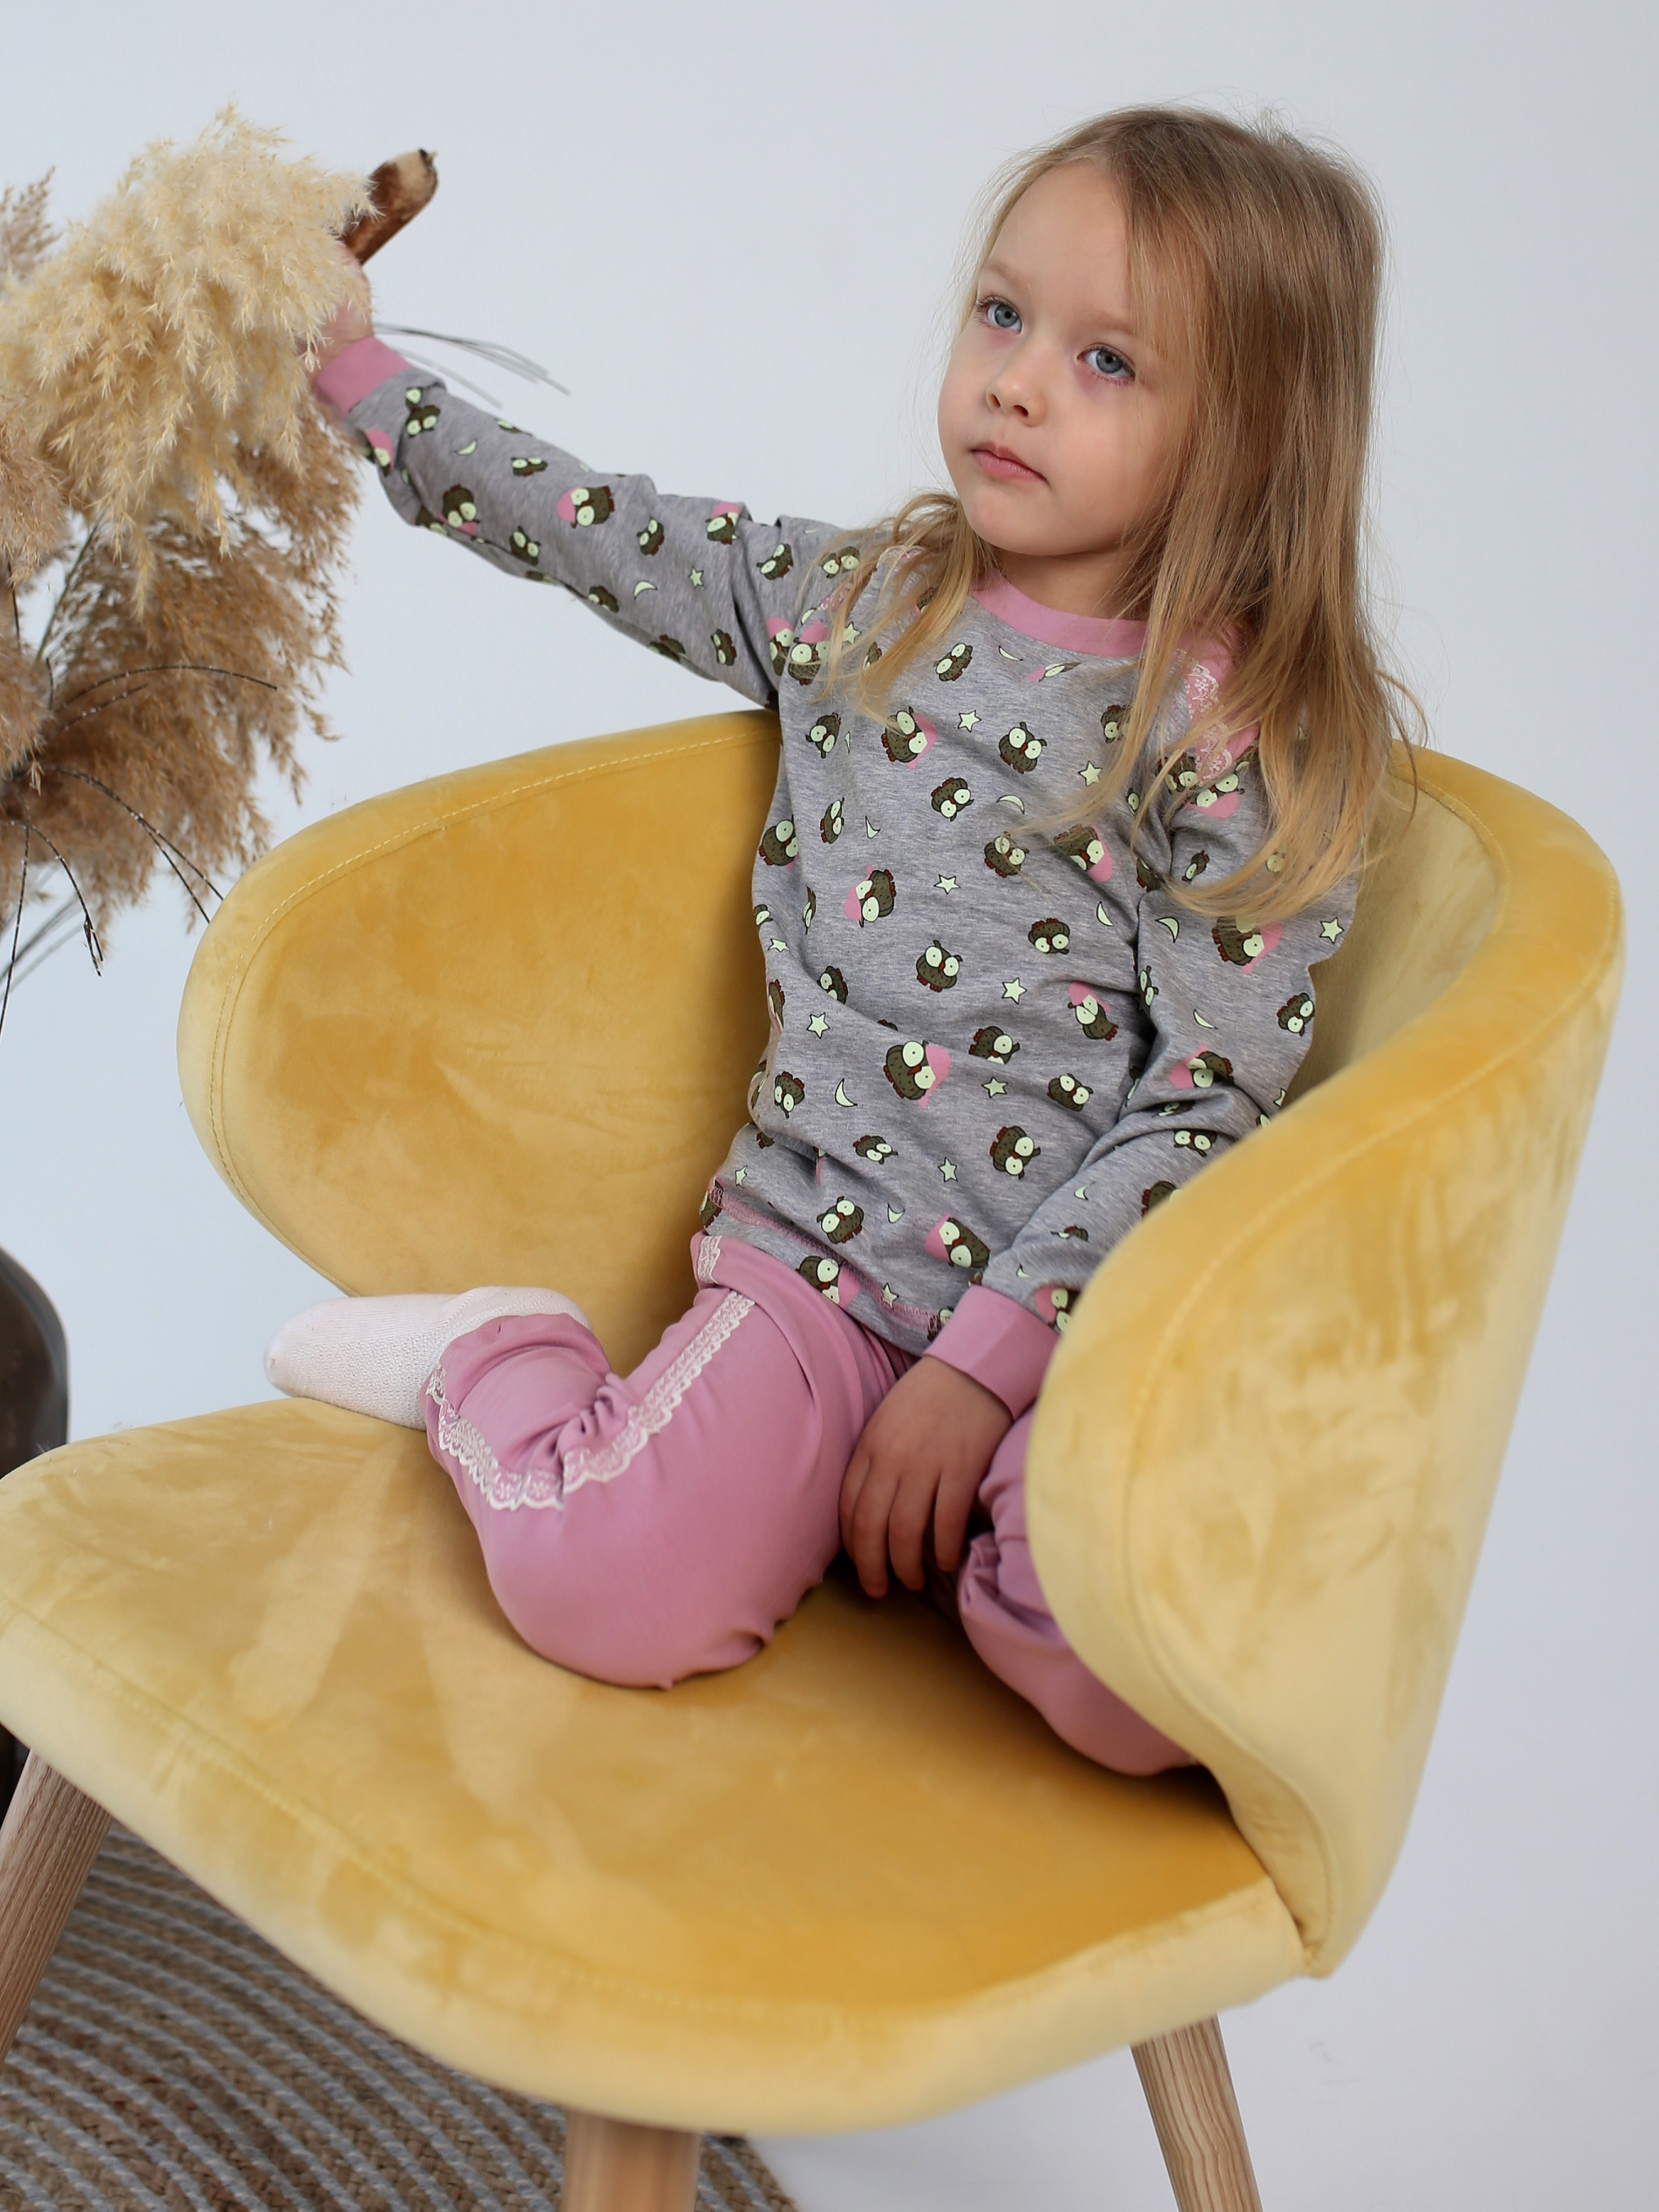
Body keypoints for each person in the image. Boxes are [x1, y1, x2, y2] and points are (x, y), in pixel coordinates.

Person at [268, 106, 1408, 1775]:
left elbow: (1209, 1101)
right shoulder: (862, 604)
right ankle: (489, 1357)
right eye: (1002, 315)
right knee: (604, 1584)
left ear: (1248, 439)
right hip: (822, 1269)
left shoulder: (1237, 734)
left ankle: (964, 1552)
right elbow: (592, 524)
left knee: (1141, 1681)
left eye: (1105, 361)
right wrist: (357, 375)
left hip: (1078, 1323)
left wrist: (987, 1370)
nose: (1013, 383)